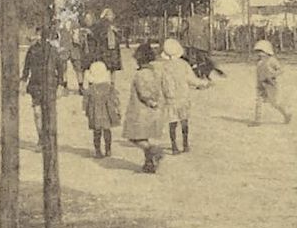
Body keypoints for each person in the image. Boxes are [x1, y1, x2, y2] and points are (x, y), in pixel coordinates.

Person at [123, 42, 167, 173]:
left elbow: (143, 91)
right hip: (152, 111)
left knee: (134, 136)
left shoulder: (140, 74)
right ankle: (149, 163)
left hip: (140, 110)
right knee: (143, 137)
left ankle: (152, 151)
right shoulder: (154, 72)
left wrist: (149, 101)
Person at [159, 37, 208, 153]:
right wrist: (204, 83)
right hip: (183, 97)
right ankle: (185, 144)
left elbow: (162, 82)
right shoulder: (184, 65)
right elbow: (191, 80)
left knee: (172, 122)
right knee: (184, 121)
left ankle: (174, 146)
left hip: (171, 98)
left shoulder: (164, 66)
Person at [21, 27, 60, 142]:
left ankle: (48, 137)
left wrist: (62, 84)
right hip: (35, 85)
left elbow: (60, 67)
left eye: (41, 36)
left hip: (49, 85)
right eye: (37, 35)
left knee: (48, 113)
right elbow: (26, 67)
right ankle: (41, 138)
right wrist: (23, 81)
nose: (39, 38)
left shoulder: (52, 50)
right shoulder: (32, 50)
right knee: (37, 113)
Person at [81, 60, 122, 158]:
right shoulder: (109, 87)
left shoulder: (90, 90)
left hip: (95, 113)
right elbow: (115, 100)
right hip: (107, 112)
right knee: (107, 131)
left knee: (97, 132)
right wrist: (118, 110)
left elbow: (85, 102)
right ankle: (108, 149)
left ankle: (98, 150)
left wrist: (86, 111)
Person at [252, 39, 292, 124]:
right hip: (262, 85)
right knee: (259, 101)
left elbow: (280, 70)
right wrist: (258, 84)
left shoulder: (272, 60)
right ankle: (257, 120)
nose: (259, 53)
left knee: (275, 103)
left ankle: (286, 114)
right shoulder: (258, 62)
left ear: (267, 51)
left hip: (271, 84)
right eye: (257, 51)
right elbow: (258, 75)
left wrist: (273, 75)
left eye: (261, 51)